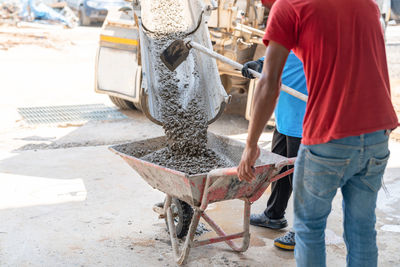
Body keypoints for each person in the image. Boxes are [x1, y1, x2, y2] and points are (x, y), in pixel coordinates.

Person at [238, 0, 399, 266]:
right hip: (377, 134)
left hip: (330, 136)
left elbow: (269, 83)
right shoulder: (367, 4)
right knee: (362, 232)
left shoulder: (288, 6)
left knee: (309, 230)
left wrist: (251, 144)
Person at [241, 51, 307, 251]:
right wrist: (259, 65)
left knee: (301, 180)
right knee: (278, 171)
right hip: (284, 117)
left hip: (305, 121)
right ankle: (273, 215)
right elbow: (279, 55)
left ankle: (303, 231)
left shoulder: (314, 37)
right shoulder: (289, 34)